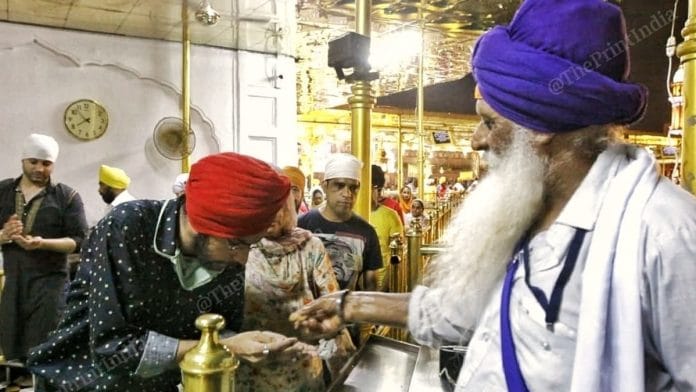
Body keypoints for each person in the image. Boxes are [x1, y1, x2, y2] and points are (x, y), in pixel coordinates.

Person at [290, 1, 696, 391]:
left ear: (541, 126)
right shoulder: (531, 211)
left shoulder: (665, 234)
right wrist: (350, 304)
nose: (477, 141)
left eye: (489, 123)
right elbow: (461, 313)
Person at [27, 152, 307, 391]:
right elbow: (113, 349)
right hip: (83, 380)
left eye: (252, 245)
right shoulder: (128, 226)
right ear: (202, 226)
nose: (243, 259)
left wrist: (248, 343)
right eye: (238, 244)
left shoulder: (227, 255)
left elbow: (220, 331)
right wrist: (228, 347)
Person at [237, 183, 354, 391]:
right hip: (251, 364)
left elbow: (332, 301)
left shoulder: (310, 246)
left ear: (290, 207)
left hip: (302, 364)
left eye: (278, 207)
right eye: (263, 208)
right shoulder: (240, 247)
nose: (271, 215)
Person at [0, 134, 88, 368]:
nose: (39, 168)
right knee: (13, 350)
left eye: (46, 163)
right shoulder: (3, 192)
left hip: (51, 283)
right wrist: (4, 236)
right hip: (14, 282)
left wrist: (42, 243)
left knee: (46, 348)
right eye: (34, 162)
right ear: (23, 161)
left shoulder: (66, 196)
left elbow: (78, 241)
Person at [297, 153, 382, 292]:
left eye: (353, 188)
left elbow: (371, 287)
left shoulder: (367, 232)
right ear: (325, 186)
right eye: (339, 185)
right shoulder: (302, 225)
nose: (347, 194)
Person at [369, 165, 403, 292]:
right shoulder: (350, 215)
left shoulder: (391, 215)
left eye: (376, 188)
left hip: (382, 284)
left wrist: (384, 286)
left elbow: (397, 253)